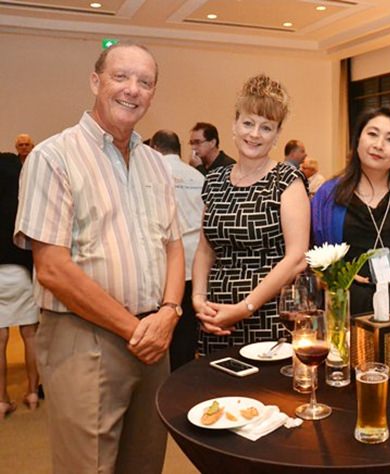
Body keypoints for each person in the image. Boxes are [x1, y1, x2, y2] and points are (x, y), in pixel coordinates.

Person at [14, 43, 185, 473]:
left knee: (145, 462)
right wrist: (135, 330)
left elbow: (173, 244)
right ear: (95, 81)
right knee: (88, 466)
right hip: (83, 336)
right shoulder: (53, 157)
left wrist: (169, 311)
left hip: (154, 335)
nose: (133, 90)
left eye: (145, 82)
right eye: (121, 77)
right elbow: (52, 268)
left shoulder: (154, 164)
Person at [192, 74, 309, 354]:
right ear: (234, 124)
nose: (254, 134)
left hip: (269, 320)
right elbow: (205, 250)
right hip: (216, 319)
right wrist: (198, 299)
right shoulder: (215, 179)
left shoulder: (286, 179)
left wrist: (244, 308)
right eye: (247, 123)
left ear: (277, 135)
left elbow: (295, 259)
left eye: (265, 127)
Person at [311, 106, 390, 327]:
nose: (379, 145)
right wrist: (333, 276)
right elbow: (310, 254)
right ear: (358, 139)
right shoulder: (327, 196)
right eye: (372, 134)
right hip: (344, 315)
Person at [150, 129, 205, 371]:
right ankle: (187, 372)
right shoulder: (197, 176)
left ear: (155, 148)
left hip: (166, 262)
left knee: (165, 322)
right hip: (196, 260)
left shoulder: (152, 175)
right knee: (188, 327)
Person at [1, 149, 40, 417]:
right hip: (21, 274)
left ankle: (2, 399)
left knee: (1, 339)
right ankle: (33, 392)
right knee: (30, 335)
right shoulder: (22, 201)